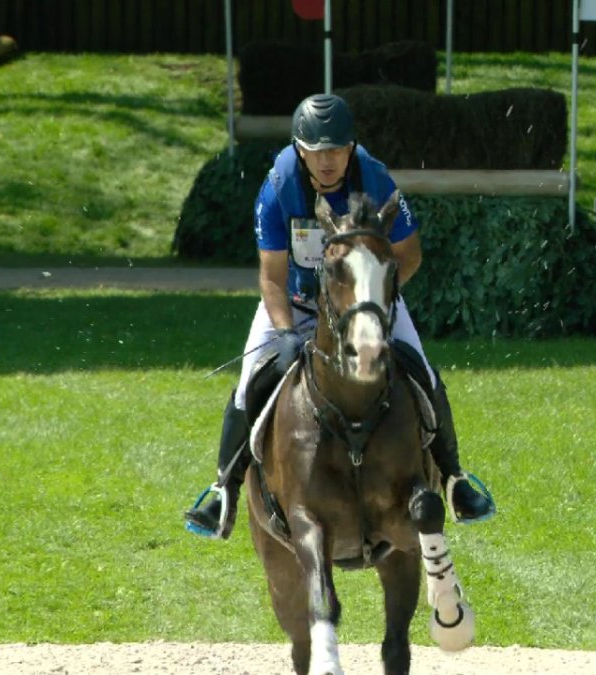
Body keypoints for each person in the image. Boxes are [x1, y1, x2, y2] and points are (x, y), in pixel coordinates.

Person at [185, 93, 495, 540]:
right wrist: (285, 332)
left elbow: (409, 254)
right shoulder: (278, 186)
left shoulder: (376, 178)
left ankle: (455, 480)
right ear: (300, 150)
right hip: (294, 302)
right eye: (316, 150)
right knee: (251, 381)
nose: (327, 160)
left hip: (365, 303)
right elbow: (271, 277)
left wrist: (373, 300)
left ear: (351, 148)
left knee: (423, 372)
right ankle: (223, 492)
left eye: (336, 149)